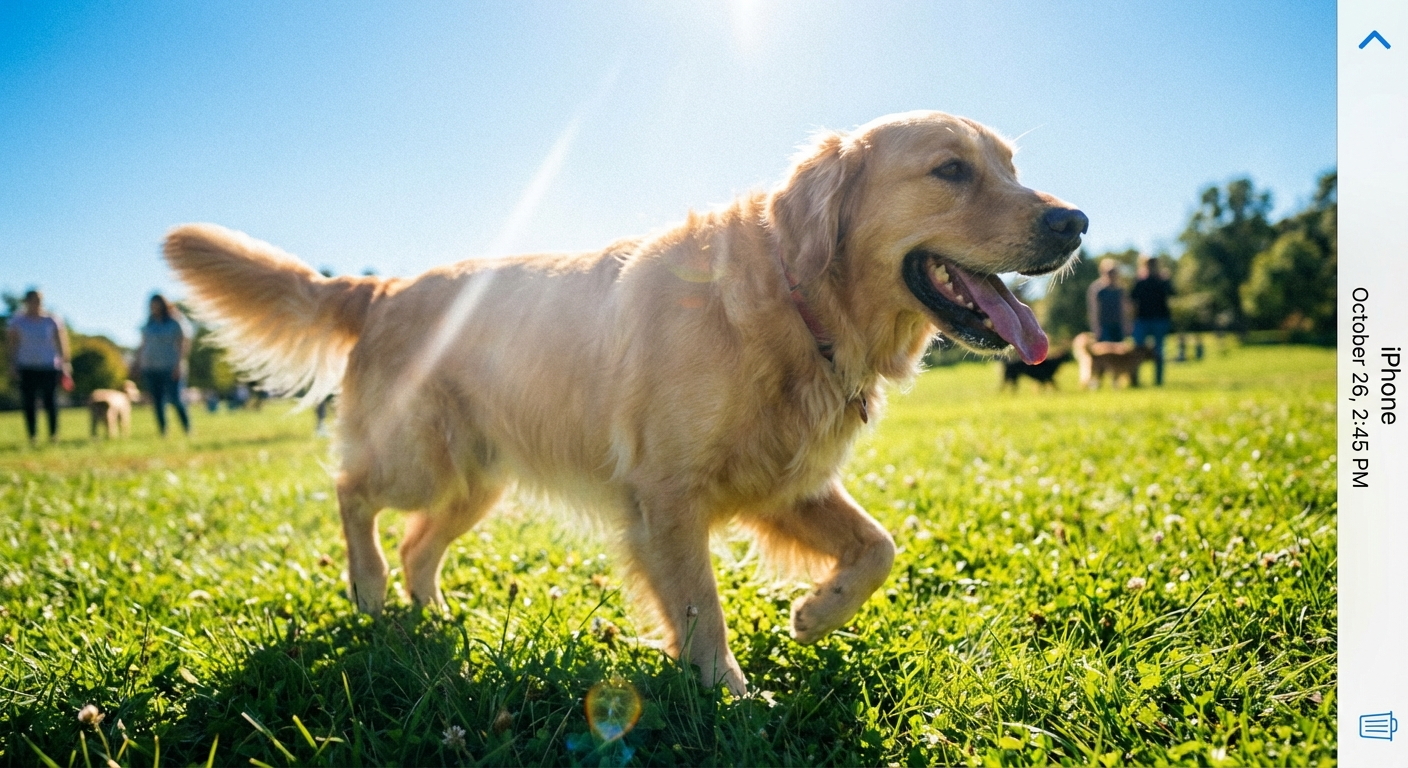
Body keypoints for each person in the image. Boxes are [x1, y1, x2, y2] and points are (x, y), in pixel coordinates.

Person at [6, 290, 70, 445]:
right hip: (27, 366)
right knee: (29, 401)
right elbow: (12, 345)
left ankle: (53, 435)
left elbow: (61, 342)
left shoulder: (52, 320)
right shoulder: (17, 321)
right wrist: (12, 364)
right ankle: (32, 436)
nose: (37, 303)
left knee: (51, 401)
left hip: (49, 365)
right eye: (34, 300)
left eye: (39, 300)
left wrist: (66, 363)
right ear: (27, 301)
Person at [134, 294, 191, 436]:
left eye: (156, 304)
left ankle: (187, 428)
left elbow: (183, 343)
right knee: (157, 402)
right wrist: (137, 363)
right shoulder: (149, 324)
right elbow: (142, 345)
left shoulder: (175, 322)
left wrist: (179, 364)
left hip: (170, 366)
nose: (154, 307)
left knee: (176, 399)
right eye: (152, 305)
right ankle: (163, 431)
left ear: (163, 304)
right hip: (151, 367)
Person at [1130, 255, 1174, 386]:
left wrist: (1167, 280)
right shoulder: (1140, 281)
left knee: (1159, 350)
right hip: (1142, 320)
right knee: (1137, 351)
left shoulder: (1163, 281)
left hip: (1160, 319)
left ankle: (1158, 381)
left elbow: (1172, 293)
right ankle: (1135, 381)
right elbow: (1132, 299)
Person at [1086, 259, 1128, 342]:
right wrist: (1096, 327)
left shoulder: (1120, 290)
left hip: (1118, 325)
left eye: (1113, 272)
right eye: (1109, 272)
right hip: (1104, 326)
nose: (1111, 275)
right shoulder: (1097, 290)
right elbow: (1094, 310)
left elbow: (1124, 309)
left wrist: (1126, 324)